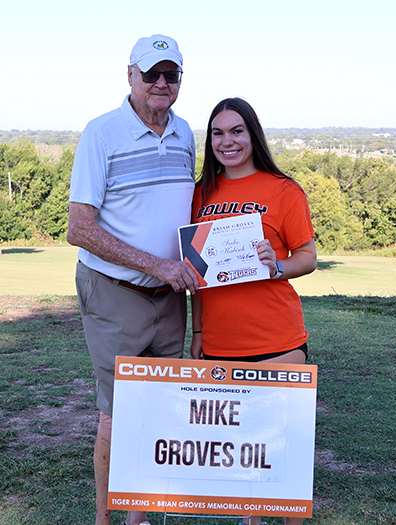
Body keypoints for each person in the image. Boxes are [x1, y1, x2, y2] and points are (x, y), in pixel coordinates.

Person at [66, 34, 199, 525]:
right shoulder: (101, 133)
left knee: (158, 410)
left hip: (170, 296)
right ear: (131, 76)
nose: (161, 84)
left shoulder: (185, 133)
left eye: (172, 75)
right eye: (152, 74)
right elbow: (79, 229)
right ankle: (106, 519)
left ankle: (136, 520)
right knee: (118, 414)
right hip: (115, 292)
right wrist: (157, 265)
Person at [189, 97, 317, 525]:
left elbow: (307, 258)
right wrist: (198, 334)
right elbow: (195, 272)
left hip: (276, 340)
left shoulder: (283, 190)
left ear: (253, 135)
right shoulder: (200, 194)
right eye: (218, 132)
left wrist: (275, 264)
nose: (228, 141)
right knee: (243, 456)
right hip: (221, 343)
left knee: (281, 457)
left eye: (237, 131)